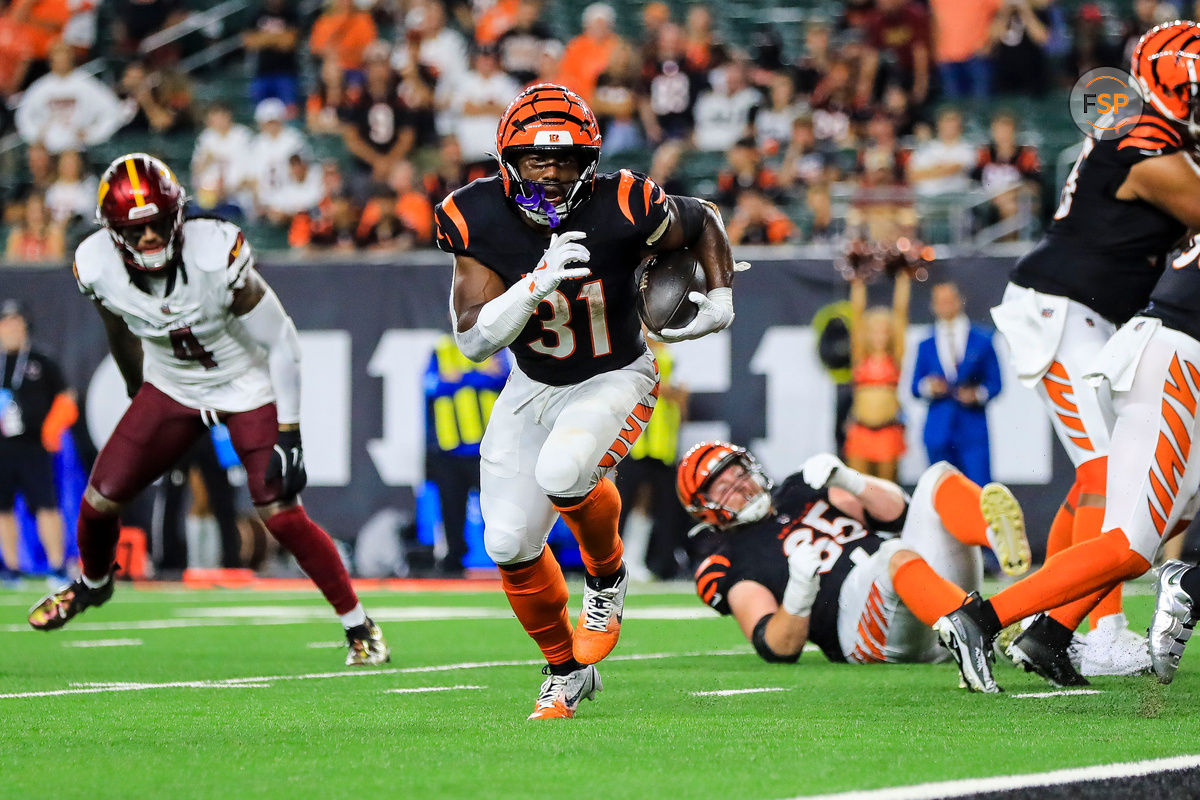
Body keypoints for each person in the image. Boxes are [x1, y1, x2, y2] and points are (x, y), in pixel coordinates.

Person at [434, 83, 737, 719]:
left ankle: (606, 575)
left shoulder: (624, 201)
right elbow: (471, 341)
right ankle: (564, 670)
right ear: (508, 160)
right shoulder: (475, 214)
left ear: (588, 160)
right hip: (532, 383)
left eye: (566, 158)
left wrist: (721, 296)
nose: (551, 172)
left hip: (616, 371)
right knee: (509, 542)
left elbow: (703, 218)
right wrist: (534, 284)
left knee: (564, 472)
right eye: (538, 159)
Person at [26, 153, 389, 668]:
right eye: (137, 228)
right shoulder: (97, 264)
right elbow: (119, 328)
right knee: (100, 499)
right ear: (112, 233)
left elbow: (283, 342)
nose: (150, 237)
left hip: (247, 384)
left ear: (177, 217)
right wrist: (137, 388)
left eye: (157, 224)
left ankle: (360, 626)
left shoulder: (214, 253)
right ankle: (92, 584)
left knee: (280, 513)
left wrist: (289, 430)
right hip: (174, 385)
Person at [983, 21, 1200, 683]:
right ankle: (1098, 634)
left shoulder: (1146, 129)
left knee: (1093, 477)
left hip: (1085, 313)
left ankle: (1045, 630)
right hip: (1062, 310)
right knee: (1107, 477)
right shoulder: (1144, 142)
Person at [938, 227, 1200, 693]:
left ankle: (1051, 632)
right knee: (1129, 546)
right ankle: (981, 619)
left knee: (1178, 511)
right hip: (1175, 358)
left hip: (1165, 348)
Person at [678, 443, 1030, 666]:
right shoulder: (729, 560)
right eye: (724, 487)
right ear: (704, 508)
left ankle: (996, 542)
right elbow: (777, 648)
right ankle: (982, 624)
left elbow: (899, 513)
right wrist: (800, 593)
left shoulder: (800, 489)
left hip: (920, 589)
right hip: (864, 631)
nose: (741, 486)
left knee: (938, 477)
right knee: (892, 554)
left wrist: (851, 481)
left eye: (740, 474)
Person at [0, 299, 76, 584]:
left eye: (15, 322)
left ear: (25, 326)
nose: (10, 329)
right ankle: (11, 567)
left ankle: (57, 565)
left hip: (34, 445)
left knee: (47, 504)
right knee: (2, 507)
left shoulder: (41, 361)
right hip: (2, 446)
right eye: (5, 323)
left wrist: (52, 428)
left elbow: (67, 397)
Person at [423, 334, 510, 574]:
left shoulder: (494, 346)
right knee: (451, 508)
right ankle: (454, 559)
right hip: (449, 448)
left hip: (488, 448)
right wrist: (478, 377)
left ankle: (508, 558)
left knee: (496, 507)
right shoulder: (441, 350)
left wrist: (458, 379)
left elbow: (505, 379)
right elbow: (430, 385)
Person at [911, 282, 1002, 486]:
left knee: (978, 488)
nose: (945, 306)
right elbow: (915, 386)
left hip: (972, 429)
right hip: (938, 429)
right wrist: (929, 387)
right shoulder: (926, 343)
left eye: (949, 300)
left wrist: (977, 394)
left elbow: (995, 384)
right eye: (940, 301)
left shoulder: (982, 340)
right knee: (943, 492)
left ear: (960, 301)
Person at [845, 266, 910, 482]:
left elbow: (900, 314)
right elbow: (856, 314)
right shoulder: (860, 357)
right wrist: (858, 279)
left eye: (884, 330)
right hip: (860, 431)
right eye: (874, 330)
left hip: (888, 431)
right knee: (858, 488)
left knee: (887, 489)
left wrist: (903, 276)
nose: (879, 335)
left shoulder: (895, 358)